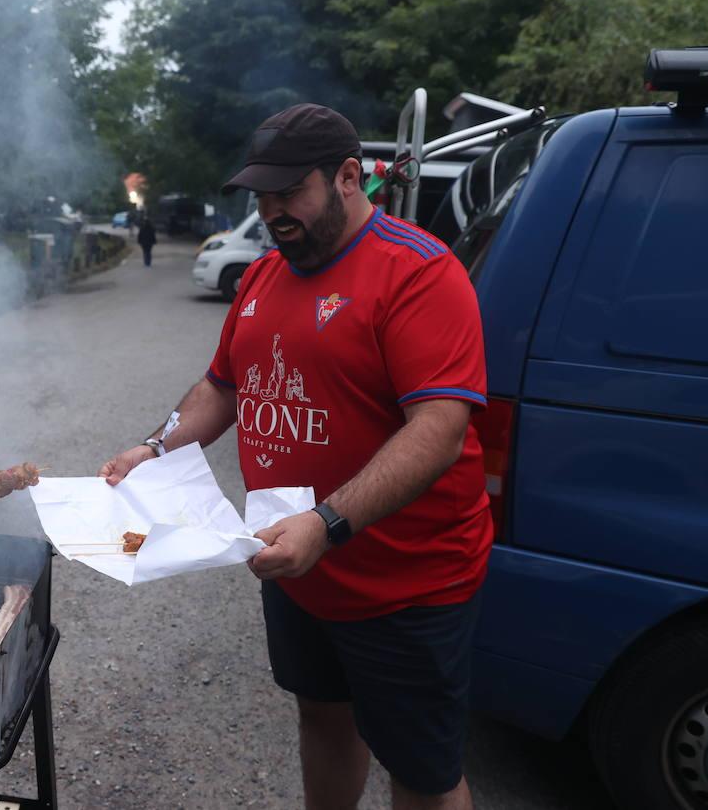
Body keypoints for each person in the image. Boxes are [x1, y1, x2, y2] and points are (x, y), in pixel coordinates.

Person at [99, 104, 490, 810]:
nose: (273, 212)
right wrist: (156, 447)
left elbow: (438, 429)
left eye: (290, 193)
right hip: (294, 565)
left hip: (405, 585)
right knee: (322, 716)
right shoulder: (261, 278)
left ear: (349, 177)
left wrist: (329, 524)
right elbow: (221, 386)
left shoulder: (419, 273)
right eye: (262, 197)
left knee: (422, 770)